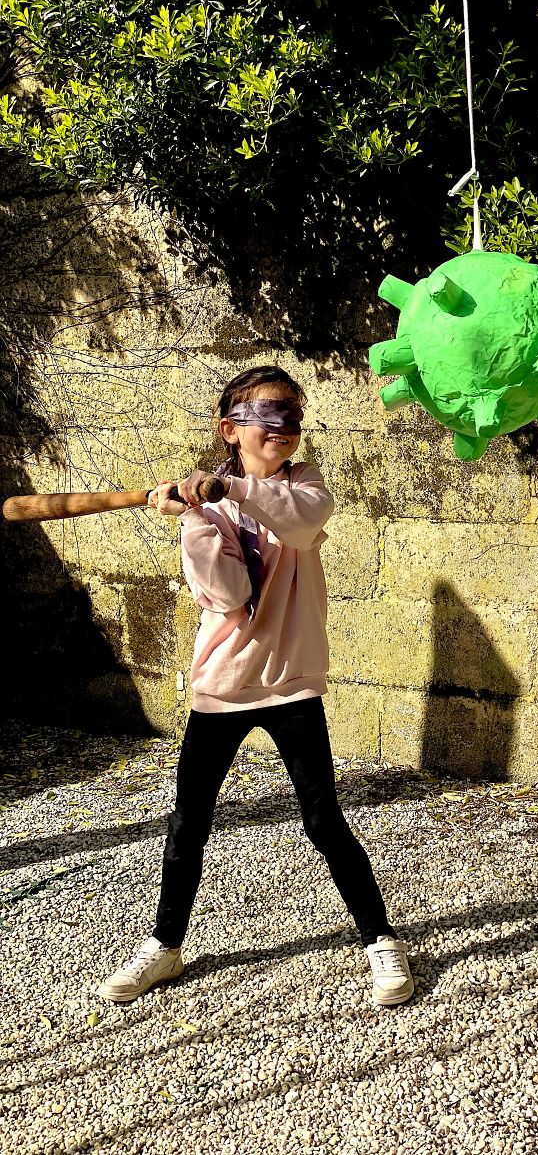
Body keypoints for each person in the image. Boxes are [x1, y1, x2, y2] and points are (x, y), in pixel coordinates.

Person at [97, 365, 413, 1008]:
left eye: (292, 415)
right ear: (229, 429)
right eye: (266, 414)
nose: (283, 427)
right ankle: (164, 946)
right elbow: (229, 594)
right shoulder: (207, 508)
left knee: (323, 819)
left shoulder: (306, 485)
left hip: (292, 683)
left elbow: (300, 523)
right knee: (189, 822)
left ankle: (380, 938)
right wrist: (196, 520)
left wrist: (230, 489)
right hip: (223, 683)